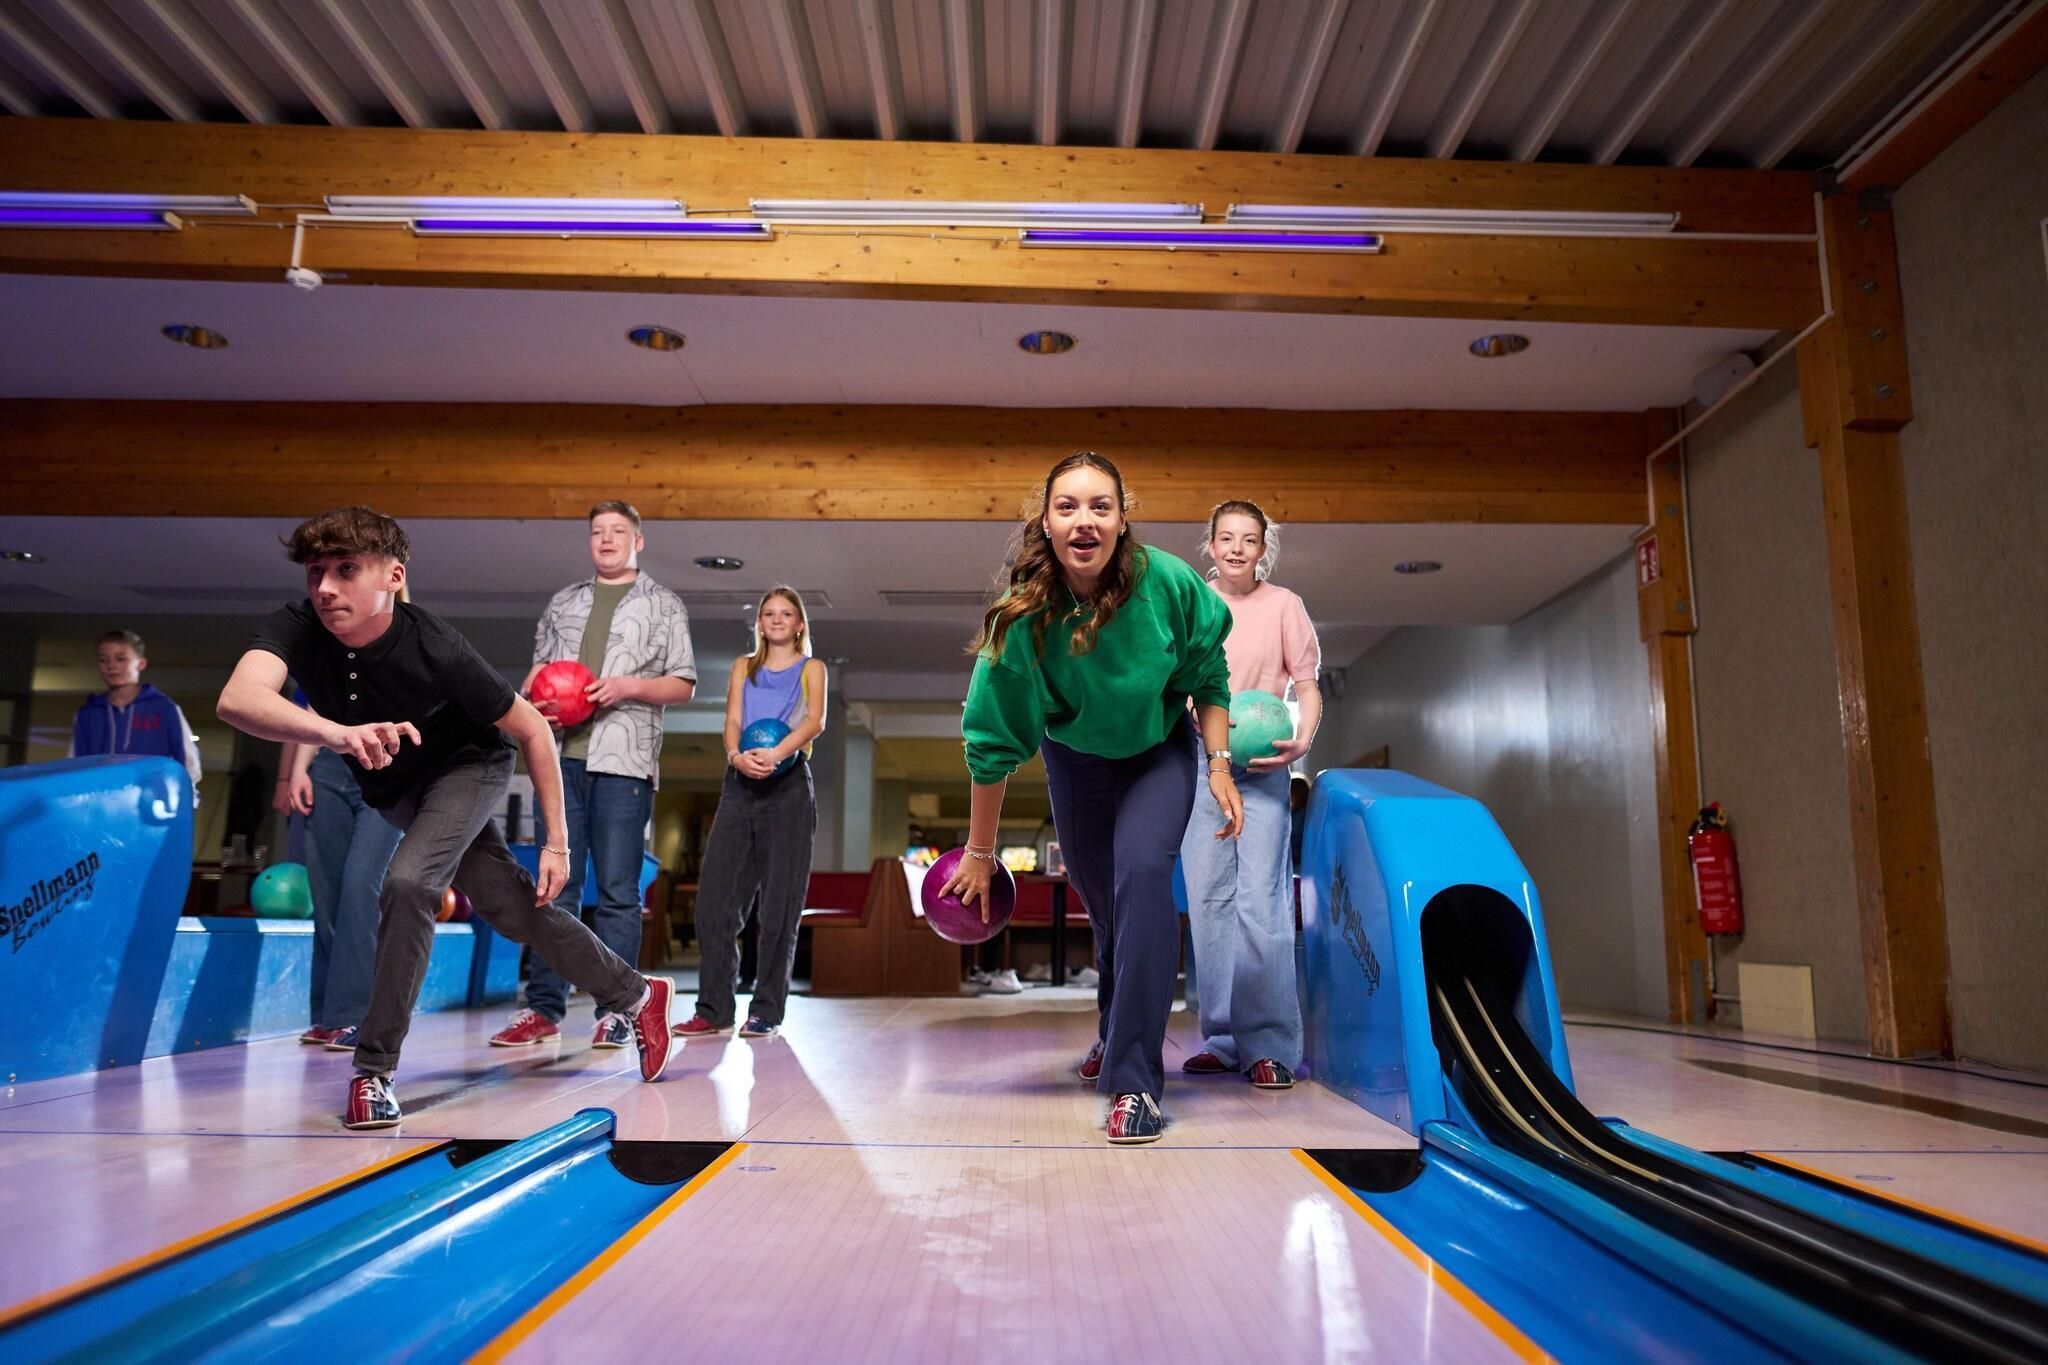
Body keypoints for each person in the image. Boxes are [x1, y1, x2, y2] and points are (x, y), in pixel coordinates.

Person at [216, 506, 673, 1130]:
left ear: (393, 576)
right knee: (508, 907)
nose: (325, 587)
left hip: (468, 768)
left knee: (409, 882)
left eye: (347, 570)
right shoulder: (296, 626)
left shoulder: (434, 643)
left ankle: (373, 1071)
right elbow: (237, 700)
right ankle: (637, 994)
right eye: (316, 572)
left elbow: (533, 729)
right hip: (398, 787)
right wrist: (336, 733)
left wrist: (557, 844)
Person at [945, 452, 1242, 1145]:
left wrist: (1220, 764)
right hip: (1076, 760)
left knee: (1142, 877)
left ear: (1122, 519)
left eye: (1101, 506)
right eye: (1069, 506)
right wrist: (980, 852)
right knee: (1104, 903)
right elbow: (991, 743)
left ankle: (1135, 1080)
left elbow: (1209, 673)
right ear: (1047, 523)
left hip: (1158, 751)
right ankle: (1114, 1027)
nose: (1085, 520)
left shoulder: (1167, 583)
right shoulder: (1024, 616)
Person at [492, 501, 697, 1050]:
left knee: (618, 893)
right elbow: (536, 674)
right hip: (557, 759)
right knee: (553, 886)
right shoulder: (563, 602)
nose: (606, 540)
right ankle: (543, 1008)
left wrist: (627, 686)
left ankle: (619, 1008)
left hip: (624, 761)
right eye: (597, 532)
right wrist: (539, 701)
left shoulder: (664, 604)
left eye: (618, 531)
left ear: (638, 540)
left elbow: (683, 683)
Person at [1178, 500, 1322, 1091]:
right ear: (1211, 545)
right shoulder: (1193, 602)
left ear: (1263, 549)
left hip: (1263, 767)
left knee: (1261, 901)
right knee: (1209, 900)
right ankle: (1222, 1039)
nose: (1237, 548)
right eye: (1227, 538)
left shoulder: (1286, 606)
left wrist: (1301, 743)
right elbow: (1176, 681)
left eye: (1249, 539)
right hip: (1198, 764)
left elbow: (1307, 686)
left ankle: (1269, 1045)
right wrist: (1195, 717)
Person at [675, 587, 827, 1041]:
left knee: (779, 908)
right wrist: (735, 756)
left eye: (786, 613)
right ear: (759, 623)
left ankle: (766, 1011)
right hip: (739, 783)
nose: (777, 619)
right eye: (769, 613)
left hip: (789, 785)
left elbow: (815, 721)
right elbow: (733, 721)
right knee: (714, 904)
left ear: (799, 624)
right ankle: (714, 1009)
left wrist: (776, 755)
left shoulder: (812, 668)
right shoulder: (744, 666)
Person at [276, 698, 403, 1051]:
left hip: (388, 769)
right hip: (329, 768)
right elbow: (316, 707)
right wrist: (299, 770)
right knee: (326, 894)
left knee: (361, 886)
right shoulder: (334, 662)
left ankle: (357, 1016)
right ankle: (329, 1016)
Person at [71, 629, 203, 796]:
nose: (111, 666)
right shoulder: (88, 714)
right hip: (100, 803)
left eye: (120, 659)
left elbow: (189, 763)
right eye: (103, 660)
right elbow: (74, 765)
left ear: (141, 663)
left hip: (150, 803)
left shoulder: (164, 708)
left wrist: (179, 799)